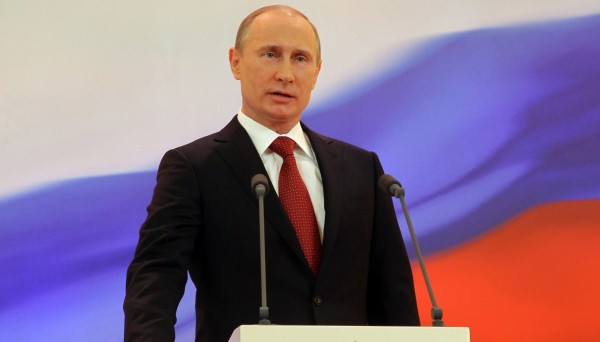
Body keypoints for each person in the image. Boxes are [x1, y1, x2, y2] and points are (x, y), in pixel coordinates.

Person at [124, 5, 420, 342]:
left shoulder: (361, 169)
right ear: (235, 62)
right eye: (270, 54)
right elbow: (155, 279)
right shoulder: (194, 168)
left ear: (317, 71)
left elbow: (393, 296)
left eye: (300, 58)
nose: (285, 74)